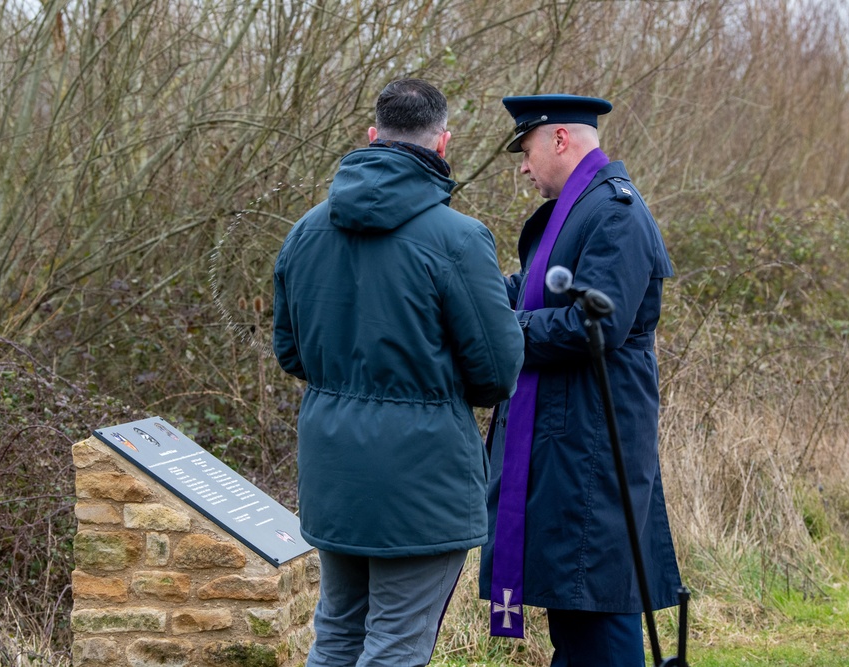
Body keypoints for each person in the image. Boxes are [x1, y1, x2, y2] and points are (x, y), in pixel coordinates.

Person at [272, 78, 525, 667]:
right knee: (397, 645)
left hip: (334, 467)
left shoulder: (306, 232)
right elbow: (497, 371)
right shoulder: (459, 240)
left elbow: (292, 354)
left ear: (371, 136)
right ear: (443, 143)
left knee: (336, 633)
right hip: (422, 475)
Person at [478, 94, 682, 666]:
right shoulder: (575, 211)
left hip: (596, 443)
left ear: (560, 139)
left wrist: (501, 329)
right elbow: (527, 290)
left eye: (525, 149)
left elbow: (594, 325)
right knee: (572, 608)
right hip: (567, 440)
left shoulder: (613, 211)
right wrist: (468, 293)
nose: (522, 164)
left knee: (596, 605)